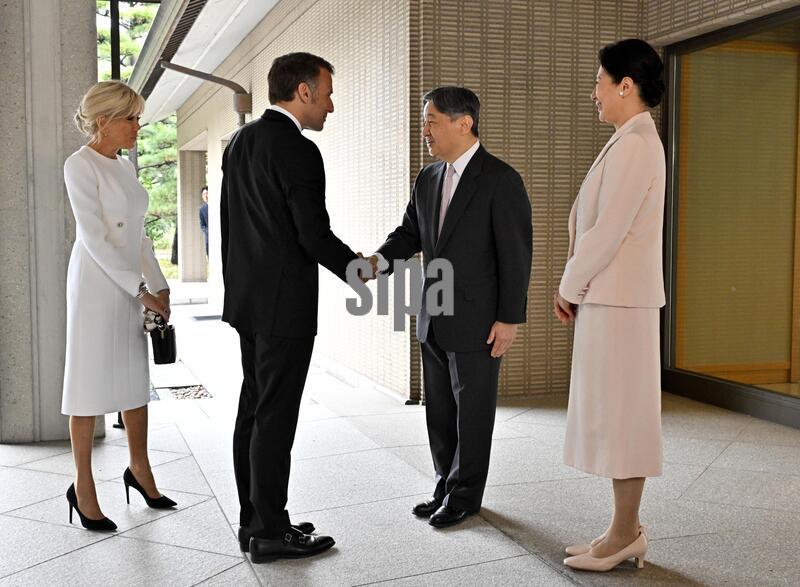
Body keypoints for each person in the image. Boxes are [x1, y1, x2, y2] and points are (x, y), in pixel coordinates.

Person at [221, 52, 370, 563]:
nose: (331, 104)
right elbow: (312, 235)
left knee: (254, 412)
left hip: (247, 301)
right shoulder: (299, 149)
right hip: (283, 306)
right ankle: (270, 532)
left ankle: (256, 519)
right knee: (275, 419)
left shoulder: (240, 141)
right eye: (327, 92)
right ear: (303, 92)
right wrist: (358, 269)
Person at [372, 87, 532, 528]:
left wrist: (509, 318)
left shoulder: (500, 180)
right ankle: (445, 483)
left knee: (473, 410)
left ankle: (465, 496)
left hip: (480, 320)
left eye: (433, 121)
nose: (425, 130)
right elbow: (410, 234)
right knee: (439, 409)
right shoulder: (428, 178)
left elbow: (515, 256)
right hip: (433, 314)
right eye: (425, 121)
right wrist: (377, 262)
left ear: (465, 123)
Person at [554, 38, 666, 572]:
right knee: (615, 414)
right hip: (614, 300)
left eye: (599, 81)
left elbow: (607, 232)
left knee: (624, 417)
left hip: (621, 302)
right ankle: (622, 529)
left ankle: (625, 534)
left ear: (626, 84)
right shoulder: (629, 139)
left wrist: (568, 285)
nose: (592, 92)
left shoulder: (639, 144)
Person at [62, 80, 177, 532]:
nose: (137, 127)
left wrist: (160, 285)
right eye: (130, 118)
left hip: (129, 281)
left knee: (134, 377)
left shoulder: (125, 168)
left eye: (138, 118)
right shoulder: (79, 165)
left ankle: (140, 469)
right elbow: (94, 237)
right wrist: (139, 288)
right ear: (103, 120)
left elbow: (138, 234)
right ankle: (83, 486)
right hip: (95, 283)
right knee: (87, 383)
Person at [199, 186, 209, 256]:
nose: (205, 196)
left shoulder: (217, 206)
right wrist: (208, 232)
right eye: (203, 194)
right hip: (208, 238)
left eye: (206, 193)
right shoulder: (202, 209)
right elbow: (202, 225)